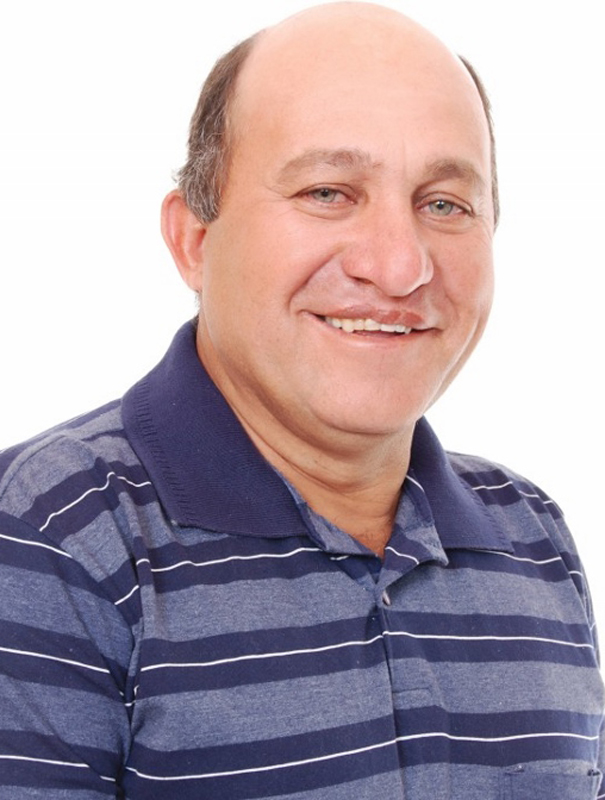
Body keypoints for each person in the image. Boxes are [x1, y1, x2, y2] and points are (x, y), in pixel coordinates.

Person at [0, 3, 602, 798]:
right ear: (193, 239)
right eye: (327, 192)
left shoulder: (532, 535)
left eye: (444, 204)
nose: (398, 266)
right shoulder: (48, 535)